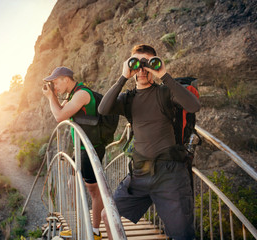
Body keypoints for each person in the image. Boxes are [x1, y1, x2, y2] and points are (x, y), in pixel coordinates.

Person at [98, 44, 201, 240]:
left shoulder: (165, 93)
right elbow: (103, 109)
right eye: (137, 63)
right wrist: (123, 77)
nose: (142, 69)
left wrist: (165, 75)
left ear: (154, 67)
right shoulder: (128, 99)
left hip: (170, 175)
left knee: (182, 235)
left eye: (148, 64)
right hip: (139, 174)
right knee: (107, 214)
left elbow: (193, 105)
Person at [42, 66, 104, 240]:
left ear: (66, 78)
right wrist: (52, 96)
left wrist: (49, 97)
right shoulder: (71, 95)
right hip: (81, 147)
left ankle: (95, 230)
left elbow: (59, 116)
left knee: (94, 191)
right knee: (72, 184)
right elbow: (58, 111)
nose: (54, 86)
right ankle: (79, 224)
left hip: (91, 148)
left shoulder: (82, 94)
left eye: (56, 82)